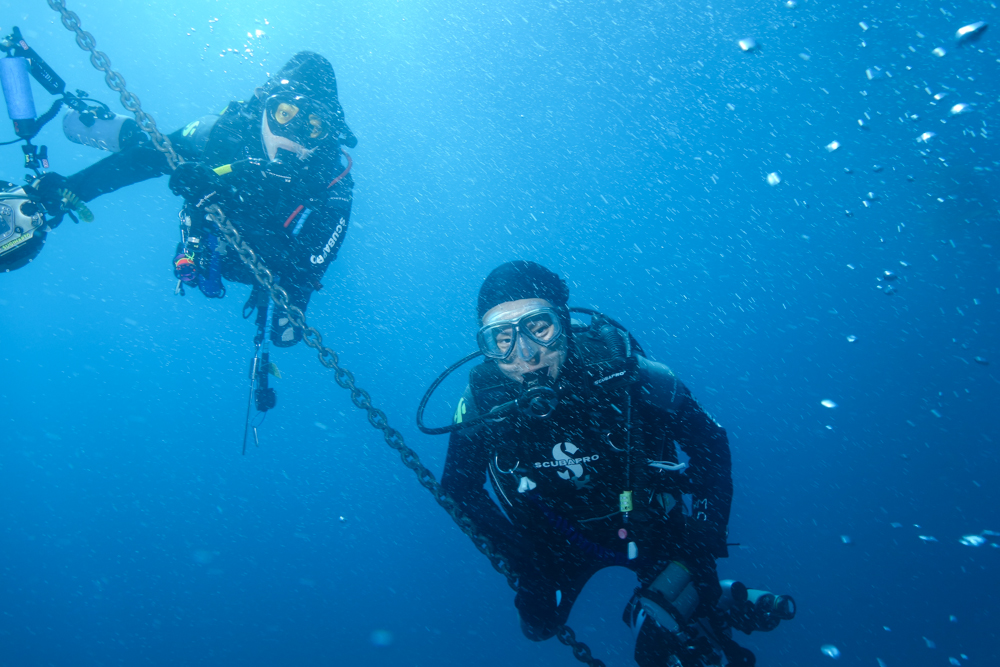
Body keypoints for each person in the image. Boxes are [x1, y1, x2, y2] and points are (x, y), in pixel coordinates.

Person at [438, 261, 794, 667]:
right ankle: (695, 600)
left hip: (647, 521)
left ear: (563, 321)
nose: (526, 354)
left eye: (539, 328)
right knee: (538, 625)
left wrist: (704, 538)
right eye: (502, 339)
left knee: (670, 641)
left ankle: (710, 601)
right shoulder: (482, 400)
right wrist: (521, 556)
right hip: (554, 539)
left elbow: (709, 441)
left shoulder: (625, 369)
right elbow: (459, 489)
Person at [1, 51, 357, 348]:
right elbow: (149, 158)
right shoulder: (222, 133)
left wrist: (225, 190)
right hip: (209, 246)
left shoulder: (332, 179)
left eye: (313, 127)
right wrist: (70, 191)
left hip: (269, 263)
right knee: (151, 144)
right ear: (265, 106)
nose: (293, 137)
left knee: (286, 319)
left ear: (328, 134)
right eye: (284, 115)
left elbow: (306, 265)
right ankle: (117, 131)